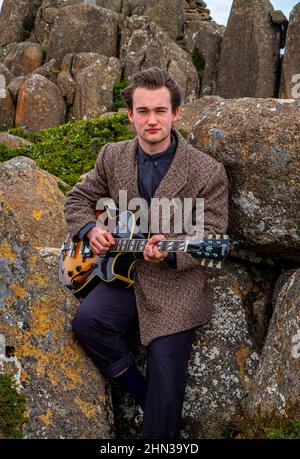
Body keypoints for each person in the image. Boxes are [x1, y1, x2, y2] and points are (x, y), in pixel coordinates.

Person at [64, 67, 228, 439]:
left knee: (166, 372)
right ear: (130, 116)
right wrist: (91, 231)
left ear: (175, 114)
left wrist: (170, 253)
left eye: (159, 111)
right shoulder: (112, 156)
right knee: (87, 324)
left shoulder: (207, 171)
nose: (151, 120)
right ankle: (146, 399)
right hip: (123, 276)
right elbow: (77, 199)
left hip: (176, 288)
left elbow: (214, 232)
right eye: (143, 111)